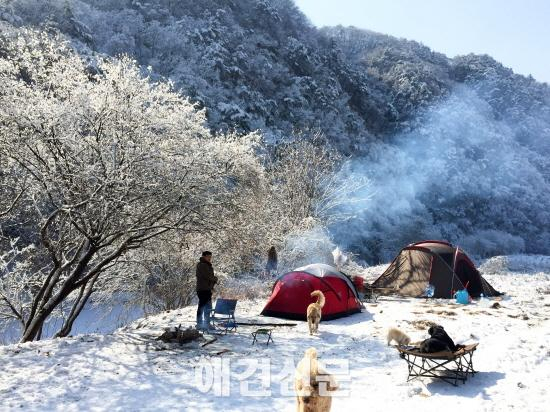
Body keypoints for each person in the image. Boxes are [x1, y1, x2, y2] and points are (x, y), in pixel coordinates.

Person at [196, 251, 218, 330]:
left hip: (207, 289)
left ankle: (206, 324)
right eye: (208, 256)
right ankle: (199, 324)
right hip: (203, 289)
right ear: (204, 256)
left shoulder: (206, 265)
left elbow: (209, 277)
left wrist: (211, 286)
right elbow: (208, 276)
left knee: (208, 307)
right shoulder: (202, 265)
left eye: (210, 257)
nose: (210, 258)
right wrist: (215, 279)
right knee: (202, 306)